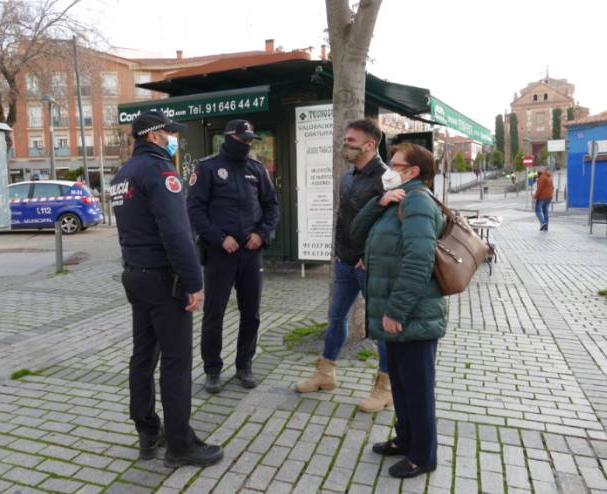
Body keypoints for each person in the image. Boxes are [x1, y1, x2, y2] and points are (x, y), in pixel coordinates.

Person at [110, 110, 223, 468]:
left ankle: (147, 431)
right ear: (154, 135)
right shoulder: (160, 171)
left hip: (135, 275)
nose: (174, 138)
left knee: (143, 357)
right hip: (162, 280)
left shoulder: (123, 174)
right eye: (170, 133)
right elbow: (176, 232)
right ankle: (179, 445)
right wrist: (193, 281)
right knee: (176, 362)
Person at [350, 143, 447, 478]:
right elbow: (355, 233)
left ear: (413, 171)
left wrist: (396, 312)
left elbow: (419, 261)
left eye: (395, 164)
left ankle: (423, 455)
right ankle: (406, 439)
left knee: (417, 390)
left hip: (411, 316)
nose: (388, 169)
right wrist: (379, 202)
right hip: (395, 313)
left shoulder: (418, 202)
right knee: (403, 387)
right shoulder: (398, 199)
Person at [295, 119, 393, 413]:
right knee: (336, 317)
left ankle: (385, 388)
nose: (344, 144)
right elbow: (343, 216)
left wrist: (369, 255)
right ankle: (325, 374)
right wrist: (338, 252)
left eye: (351, 140)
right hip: (344, 263)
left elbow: (391, 225)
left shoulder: (388, 177)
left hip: (369, 266)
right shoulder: (348, 175)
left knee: (380, 327)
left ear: (369, 144)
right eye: (345, 139)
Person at [187, 119, 279, 393]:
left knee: (251, 314)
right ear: (228, 138)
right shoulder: (207, 168)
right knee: (214, 315)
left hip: (251, 253)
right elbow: (194, 210)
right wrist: (219, 238)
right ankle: (212, 369)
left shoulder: (256, 169)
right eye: (242, 139)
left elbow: (272, 206)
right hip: (220, 254)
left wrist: (261, 234)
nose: (247, 144)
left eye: (250, 140)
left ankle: (244, 365)